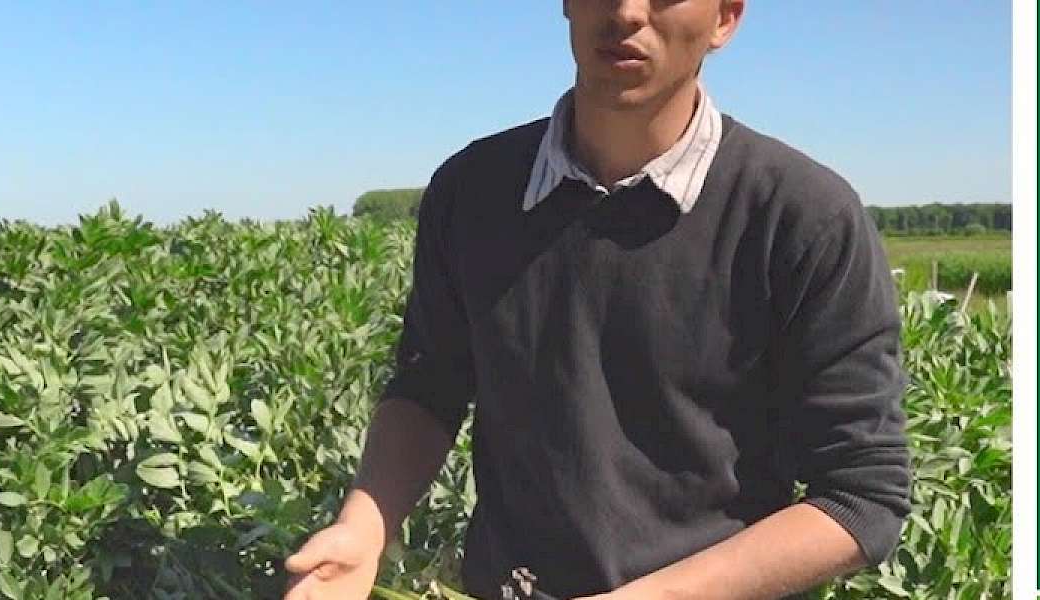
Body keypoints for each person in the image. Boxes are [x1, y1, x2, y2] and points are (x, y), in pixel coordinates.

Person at [282, 1, 911, 598]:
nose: (627, 12)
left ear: (725, 18)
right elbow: (429, 386)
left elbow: (861, 495)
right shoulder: (472, 192)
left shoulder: (801, 218)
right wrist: (364, 527)